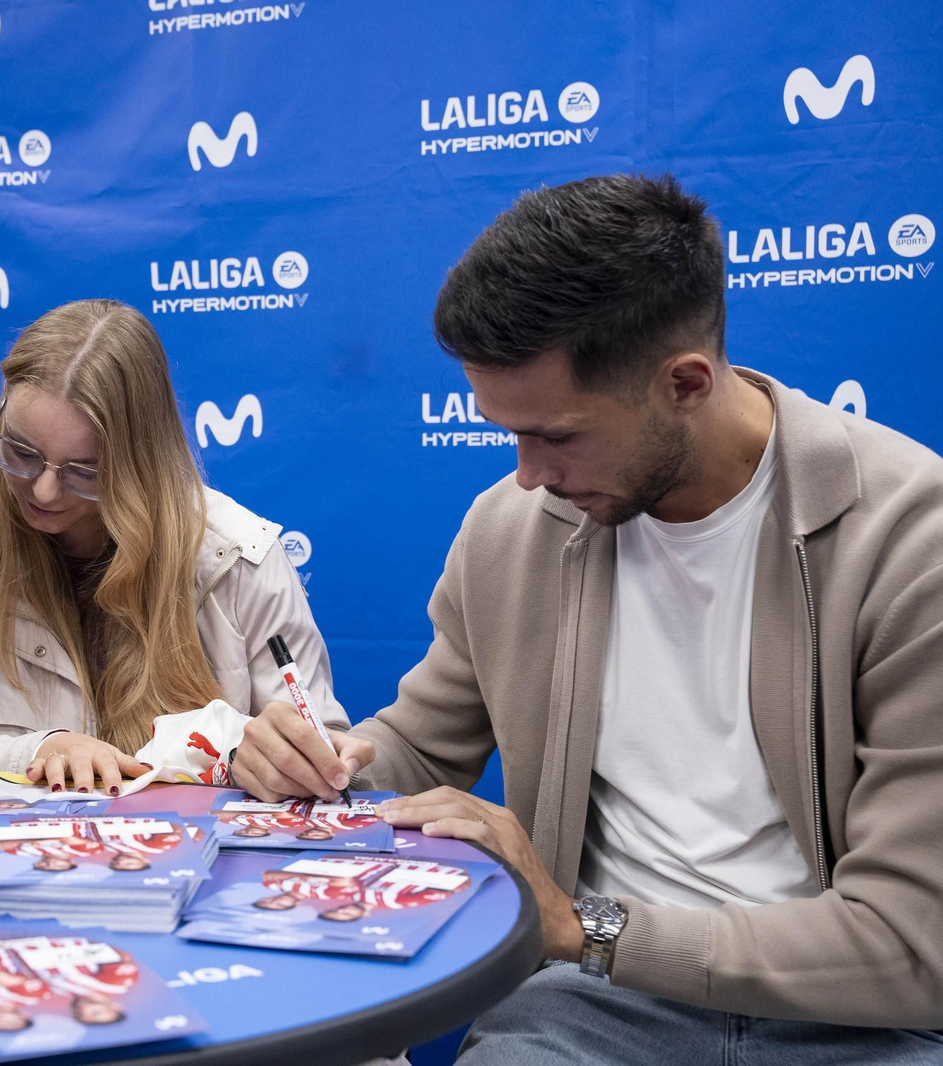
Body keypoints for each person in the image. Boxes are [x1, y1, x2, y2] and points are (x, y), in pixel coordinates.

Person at [231, 175, 943, 1060]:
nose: (529, 474)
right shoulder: (511, 529)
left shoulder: (913, 540)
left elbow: (916, 943)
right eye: (509, 434)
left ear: (687, 382)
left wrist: (588, 928)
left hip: (856, 1021)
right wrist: (313, 766)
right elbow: (415, 748)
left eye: (557, 436)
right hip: (594, 1004)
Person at [0, 299, 346, 795]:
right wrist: (38, 750)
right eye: (20, 453)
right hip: (18, 867)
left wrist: (280, 762)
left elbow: (324, 760)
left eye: (85, 472)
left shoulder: (237, 560)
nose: (44, 491)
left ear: (143, 460)